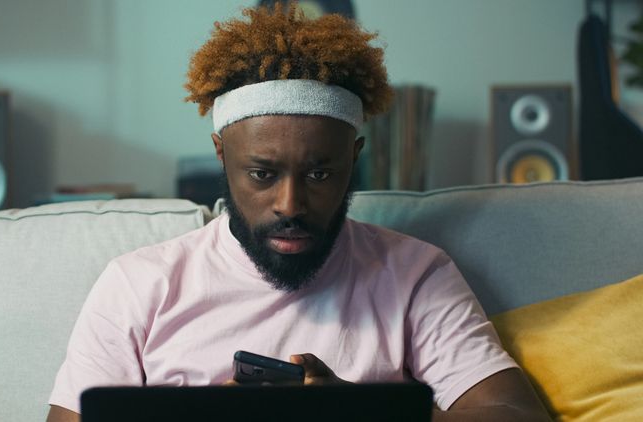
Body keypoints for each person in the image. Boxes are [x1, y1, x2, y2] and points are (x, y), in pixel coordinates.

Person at [47, 3, 550, 421]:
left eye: (319, 174)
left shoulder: (416, 274)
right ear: (222, 155)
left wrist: (351, 412)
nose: (290, 205)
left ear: (353, 157)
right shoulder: (139, 285)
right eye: (262, 174)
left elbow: (513, 413)